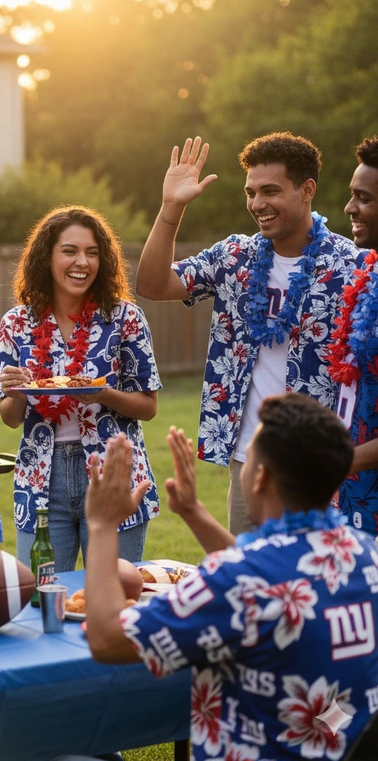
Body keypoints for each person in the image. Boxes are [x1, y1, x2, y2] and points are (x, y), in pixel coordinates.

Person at [84, 393, 378, 760]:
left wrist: (102, 525)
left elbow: (107, 638)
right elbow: (269, 581)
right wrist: (194, 513)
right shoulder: (368, 556)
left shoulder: (240, 581)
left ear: (260, 478)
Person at [136, 133, 364, 535]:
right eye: (251, 192)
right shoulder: (234, 256)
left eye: (270, 191)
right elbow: (153, 285)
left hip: (324, 462)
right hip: (251, 460)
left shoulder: (352, 267)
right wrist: (171, 207)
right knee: (251, 586)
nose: (258, 204)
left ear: (307, 190)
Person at [0, 206, 160, 569]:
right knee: (41, 597)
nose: (82, 262)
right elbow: (9, 418)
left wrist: (102, 394)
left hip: (112, 474)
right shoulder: (16, 323)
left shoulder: (125, 318)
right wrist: (17, 393)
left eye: (92, 252)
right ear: (47, 257)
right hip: (41, 479)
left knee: (115, 596)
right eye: (69, 250)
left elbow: (148, 405)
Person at [327, 135, 378, 535]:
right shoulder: (368, 275)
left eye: (363, 198)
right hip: (350, 491)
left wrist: (338, 461)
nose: (349, 208)